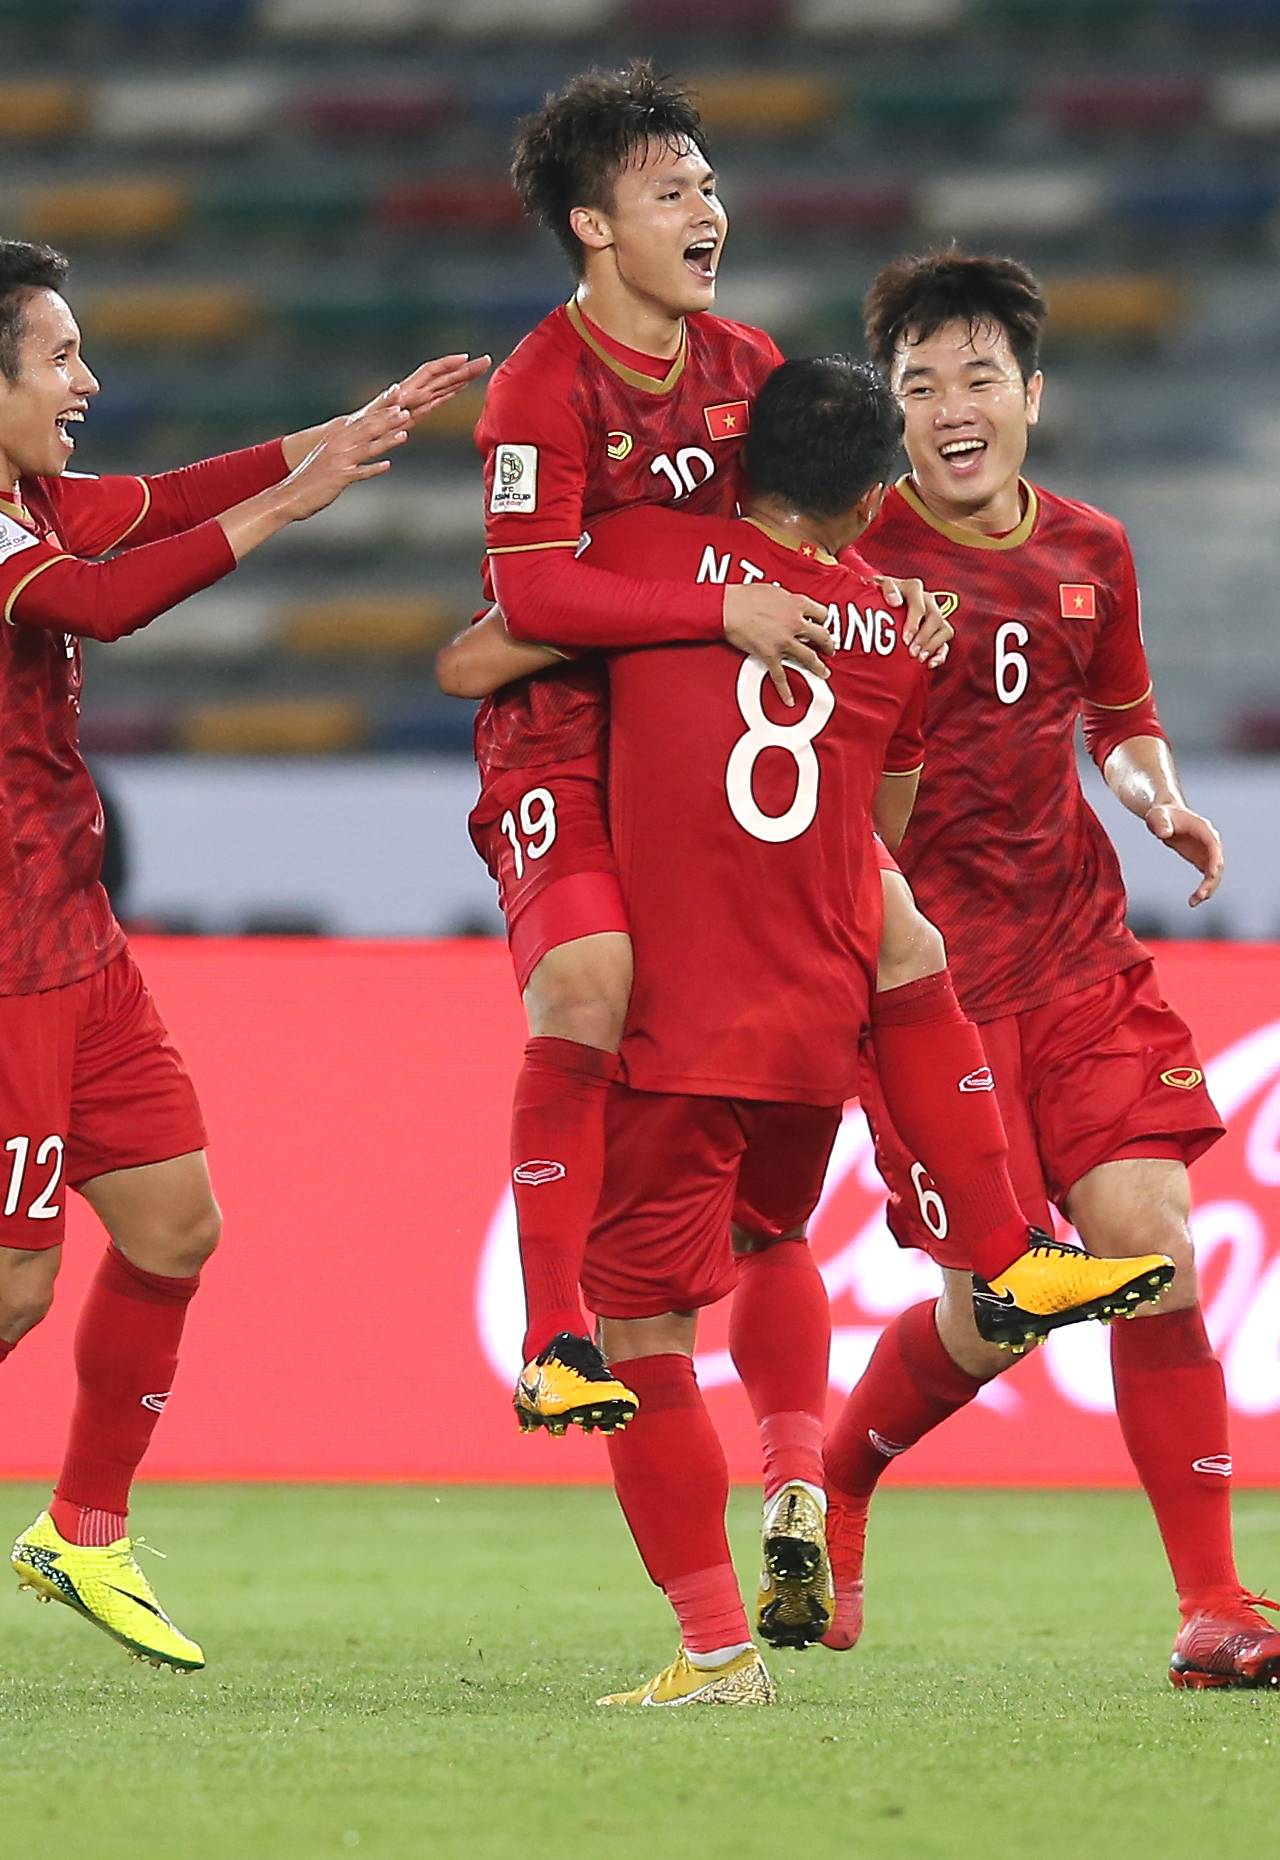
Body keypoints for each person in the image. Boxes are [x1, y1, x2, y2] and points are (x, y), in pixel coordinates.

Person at [441, 64, 1161, 1502]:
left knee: (892, 935)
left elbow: (815, 522)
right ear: (594, 227)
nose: (709, 210)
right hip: (564, 738)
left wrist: (890, 599)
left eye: (709, 184)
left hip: (715, 730)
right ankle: (555, 1338)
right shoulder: (537, 390)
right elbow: (527, 598)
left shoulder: (744, 359)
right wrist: (721, 612)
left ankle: (1003, 1250)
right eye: (672, 192)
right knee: (584, 980)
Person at [0, 230, 487, 1695]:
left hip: (72, 935)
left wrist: (333, 435)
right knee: (6, 1290)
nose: (86, 380)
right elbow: (99, 599)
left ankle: (82, 1531)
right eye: (62, 359)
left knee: (174, 1224)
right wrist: (292, 508)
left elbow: (155, 502)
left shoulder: (26, 496)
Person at [553, 356, 1170, 1707]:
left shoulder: (664, 562)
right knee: (773, 1232)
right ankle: (824, 1446)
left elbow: (509, 622)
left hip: (674, 1028)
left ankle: (714, 1652)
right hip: (813, 1031)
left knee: (640, 1332)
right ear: (869, 498)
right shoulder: (890, 631)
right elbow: (885, 833)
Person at [828, 250, 1280, 1691]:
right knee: (995, 1318)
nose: (950, 407)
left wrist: (1153, 793)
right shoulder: (852, 553)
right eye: (920, 386)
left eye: (978, 376)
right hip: (927, 992)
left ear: (1031, 395)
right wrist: (888, 690)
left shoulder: (1090, 548)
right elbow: (841, 803)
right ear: (893, 413)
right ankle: (843, 1490)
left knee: (1150, 1252)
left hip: (1079, 956)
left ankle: (1215, 1604)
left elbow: (1119, 709)